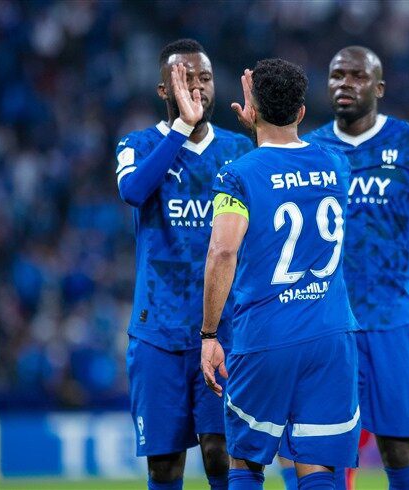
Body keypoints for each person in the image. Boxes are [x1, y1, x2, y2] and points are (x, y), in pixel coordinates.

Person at [301, 46, 409, 490]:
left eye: (357, 76)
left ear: (378, 88)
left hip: (392, 320)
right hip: (328, 323)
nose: (345, 83)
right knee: (324, 452)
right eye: (337, 75)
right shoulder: (310, 150)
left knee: (399, 448)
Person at [201, 58, 360, 490]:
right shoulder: (337, 165)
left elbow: (223, 250)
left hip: (266, 336)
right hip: (330, 335)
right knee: (316, 464)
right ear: (302, 111)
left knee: (245, 460)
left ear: (251, 110)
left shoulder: (237, 176)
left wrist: (209, 334)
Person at [115, 38, 254, 490]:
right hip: (158, 331)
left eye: (205, 77)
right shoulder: (137, 144)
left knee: (222, 452)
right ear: (163, 89)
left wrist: (266, 133)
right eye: (184, 77)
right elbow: (134, 192)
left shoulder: (239, 148)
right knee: (165, 465)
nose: (197, 86)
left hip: (225, 330)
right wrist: (180, 130)